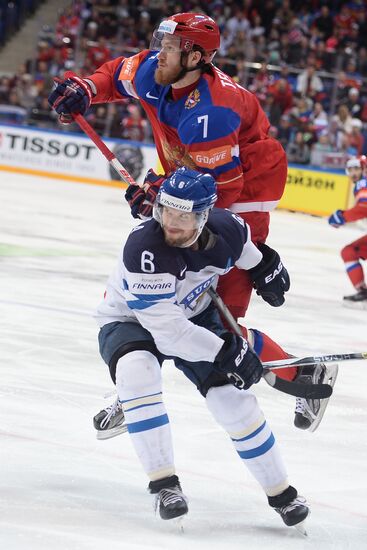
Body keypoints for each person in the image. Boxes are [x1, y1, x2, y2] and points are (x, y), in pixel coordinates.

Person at [48, 12, 333, 433]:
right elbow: (115, 75)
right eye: (160, 44)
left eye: (168, 48)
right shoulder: (155, 70)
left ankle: (306, 376)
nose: (156, 54)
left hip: (242, 198)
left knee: (221, 320)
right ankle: (138, 384)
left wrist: (162, 195)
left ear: (196, 57)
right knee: (158, 286)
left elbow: (221, 194)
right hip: (192, 183)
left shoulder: (213, 113)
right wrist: (86, 89)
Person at [94, 166, 310, 527]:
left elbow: (248, 256)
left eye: (183, 216)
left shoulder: (229, 228)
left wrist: (266, 269)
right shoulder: (145, 249)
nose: (171, 224)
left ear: (205, 216)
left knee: (232, 401)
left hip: (193, 317)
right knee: (138, 371)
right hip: (130, 320)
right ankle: (164, 485)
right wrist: (227, 350)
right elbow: (169, 334)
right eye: (166, 212)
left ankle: (282, 493)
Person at [328, 156, 367, 305]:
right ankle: (363, 292)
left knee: (349, 252)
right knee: (349, 252)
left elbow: (364, 207)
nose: (354, 173)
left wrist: (342, 217)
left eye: (357, 168)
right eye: (351, 169)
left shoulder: (362, 183)